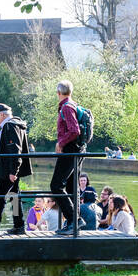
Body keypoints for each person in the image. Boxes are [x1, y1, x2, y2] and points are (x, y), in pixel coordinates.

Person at [0, 103, 32, 235]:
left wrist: (13, 171)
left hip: (8, 169)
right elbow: (10, 147)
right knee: (14, 196)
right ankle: (19, 225)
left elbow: (15, 149)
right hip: (12, 167)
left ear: (2, 114)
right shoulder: (16, 124)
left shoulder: (9, 126)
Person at [50, 80, 88, 231]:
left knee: (56, 185)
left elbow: (74, 131)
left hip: (70, 150)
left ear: (58, 93)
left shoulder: (66, 107)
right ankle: (73, 223)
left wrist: (60, 143)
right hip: (78, 150)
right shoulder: (73, 105)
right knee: (72, 186)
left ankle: (74, 219)